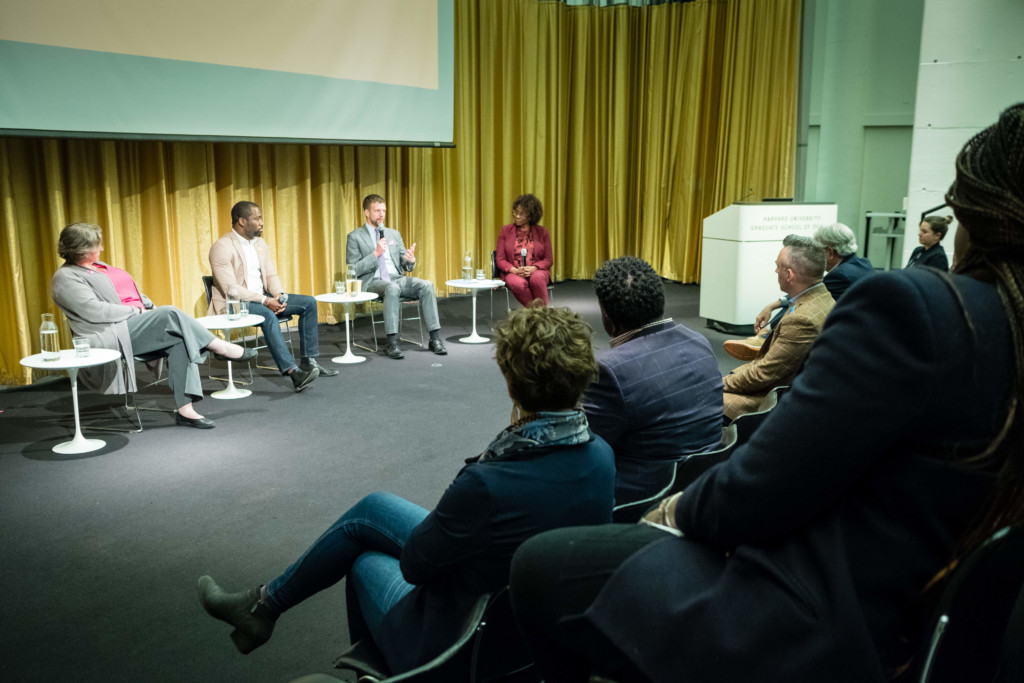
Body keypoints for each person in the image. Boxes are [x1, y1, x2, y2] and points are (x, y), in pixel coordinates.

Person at [508, 103, 1024, 683]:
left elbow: (770, 482)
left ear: (980, 213)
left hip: (827, 613)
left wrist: (669, 512)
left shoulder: (920, 309)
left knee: (540, 565)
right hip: (935, 619)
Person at [197, 306, 615, 675]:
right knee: (374, 508)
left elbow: (417, 567)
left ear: (511, 382)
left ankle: (376, 670)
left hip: (464, 635)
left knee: (362, 561)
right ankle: (261, 607)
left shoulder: (490, 482)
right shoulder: (601, 454)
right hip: (540, 626)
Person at [51, 223, 256, 429]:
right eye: (96, 245)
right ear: (81, 249)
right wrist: (139, 312)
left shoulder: (100, 266)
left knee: (180, 339)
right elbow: (94, 311)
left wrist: (148, 306)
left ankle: (186, 410)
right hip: (111, 332)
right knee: (169, 312)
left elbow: (132, 292)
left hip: (136, 324)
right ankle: (219, 347)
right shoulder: (66, 277)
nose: (101, 249)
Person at [582, 257, 722, 506]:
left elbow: (584, 446)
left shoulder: (611, 370)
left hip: (644, 500)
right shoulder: (698, 341)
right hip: (705, 488)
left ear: (606, 314)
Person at [209, 201, 335, 392]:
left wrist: (279, 295)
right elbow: (231, 289)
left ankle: (309, 362)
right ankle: (293, 373)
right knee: (267, 315)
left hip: (263, 298)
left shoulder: (260, 243)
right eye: (257, 218)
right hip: (235, 304)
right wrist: (266, 301)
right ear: (242, 221)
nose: (262, 223)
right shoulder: (222, 247)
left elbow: (270, 274)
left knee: (308, 303)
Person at [721, 235, 834, 420]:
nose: (775, 271)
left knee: (697, 399)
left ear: (789, 274)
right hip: (794, 388)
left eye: (778, 266)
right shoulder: (823, 297)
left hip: (775, 401)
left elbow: (762, 376)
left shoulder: (802, 320)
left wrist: (716, 384)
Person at [725, 223, 872, 361]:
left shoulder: (841, 276)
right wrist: (774, 304)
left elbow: (806, 298)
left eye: (819, 251)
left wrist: (767, 330)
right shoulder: (861, 264)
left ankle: (767, 343)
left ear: (830, 252)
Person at [346, 194, 447, 359]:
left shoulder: (393, 234)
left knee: (427, 285)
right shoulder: (355, 237)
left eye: (384, 210)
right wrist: (375, 254)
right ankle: (392, 342)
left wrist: (410, 260)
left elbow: (405, 265)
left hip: (397, 278)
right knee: (391, 288)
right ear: (366, 212)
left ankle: (434, 339)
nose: (381, 214)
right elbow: (353, 269)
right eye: (377, 210)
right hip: (373, 281)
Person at [495, 194, 553, 307]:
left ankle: (536, 315)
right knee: (517, 283)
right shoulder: (505, 231)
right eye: (515, 212)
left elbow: (548, 259)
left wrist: (534, 268)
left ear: (531, 216)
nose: (517, 216)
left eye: (522, 214)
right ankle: (539, 314)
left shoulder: (542, 232)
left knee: (537, 279)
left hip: (537, 270)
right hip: (513, 272)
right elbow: (500, 260)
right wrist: (515, 270)